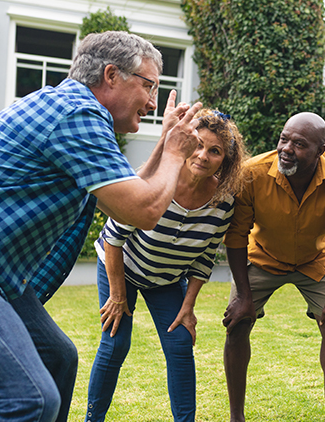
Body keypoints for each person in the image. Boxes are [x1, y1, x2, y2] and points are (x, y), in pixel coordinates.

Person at [0, 31, 202, 422]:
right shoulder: (77, 114)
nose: (153, 102)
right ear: (111, 75)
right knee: (26, 398)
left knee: (57, 358)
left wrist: (165, 146)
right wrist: (175, 151)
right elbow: (142, 211)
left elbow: (129, 195)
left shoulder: (69, 111)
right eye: (149, 85)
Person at [85, 107, 247, 421]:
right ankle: (93, 418)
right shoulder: (156, 183)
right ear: (185, 143)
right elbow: (113, 239)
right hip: (122, 268)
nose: (202, 155)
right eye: (197, 144)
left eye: (214, 151)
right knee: (116, 342)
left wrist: (188, 306)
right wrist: (118, 297)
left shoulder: (224, 202)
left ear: (225, 160)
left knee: (180, 342)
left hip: (166, 280)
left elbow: (205, 257)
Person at [221, 112, 325, 422]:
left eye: (299, 144)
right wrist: (243, 295)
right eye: (284, 139)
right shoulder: (252, 173)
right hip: (263, 257)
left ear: (320, 150)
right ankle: (236, 417)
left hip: (315, 260)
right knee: (238, 321)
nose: (287, 148)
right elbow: (236, 235)